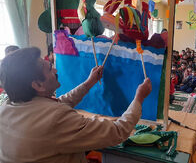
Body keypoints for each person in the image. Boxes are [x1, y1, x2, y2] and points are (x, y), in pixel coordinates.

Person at [0, 47, 152, 162]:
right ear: (37, 85)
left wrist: (88, 83)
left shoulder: (6, 107)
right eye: (49, 68)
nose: (55, 69)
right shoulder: (56, 119)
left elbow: (58, 104)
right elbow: (118, 131)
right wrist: (139, 98)